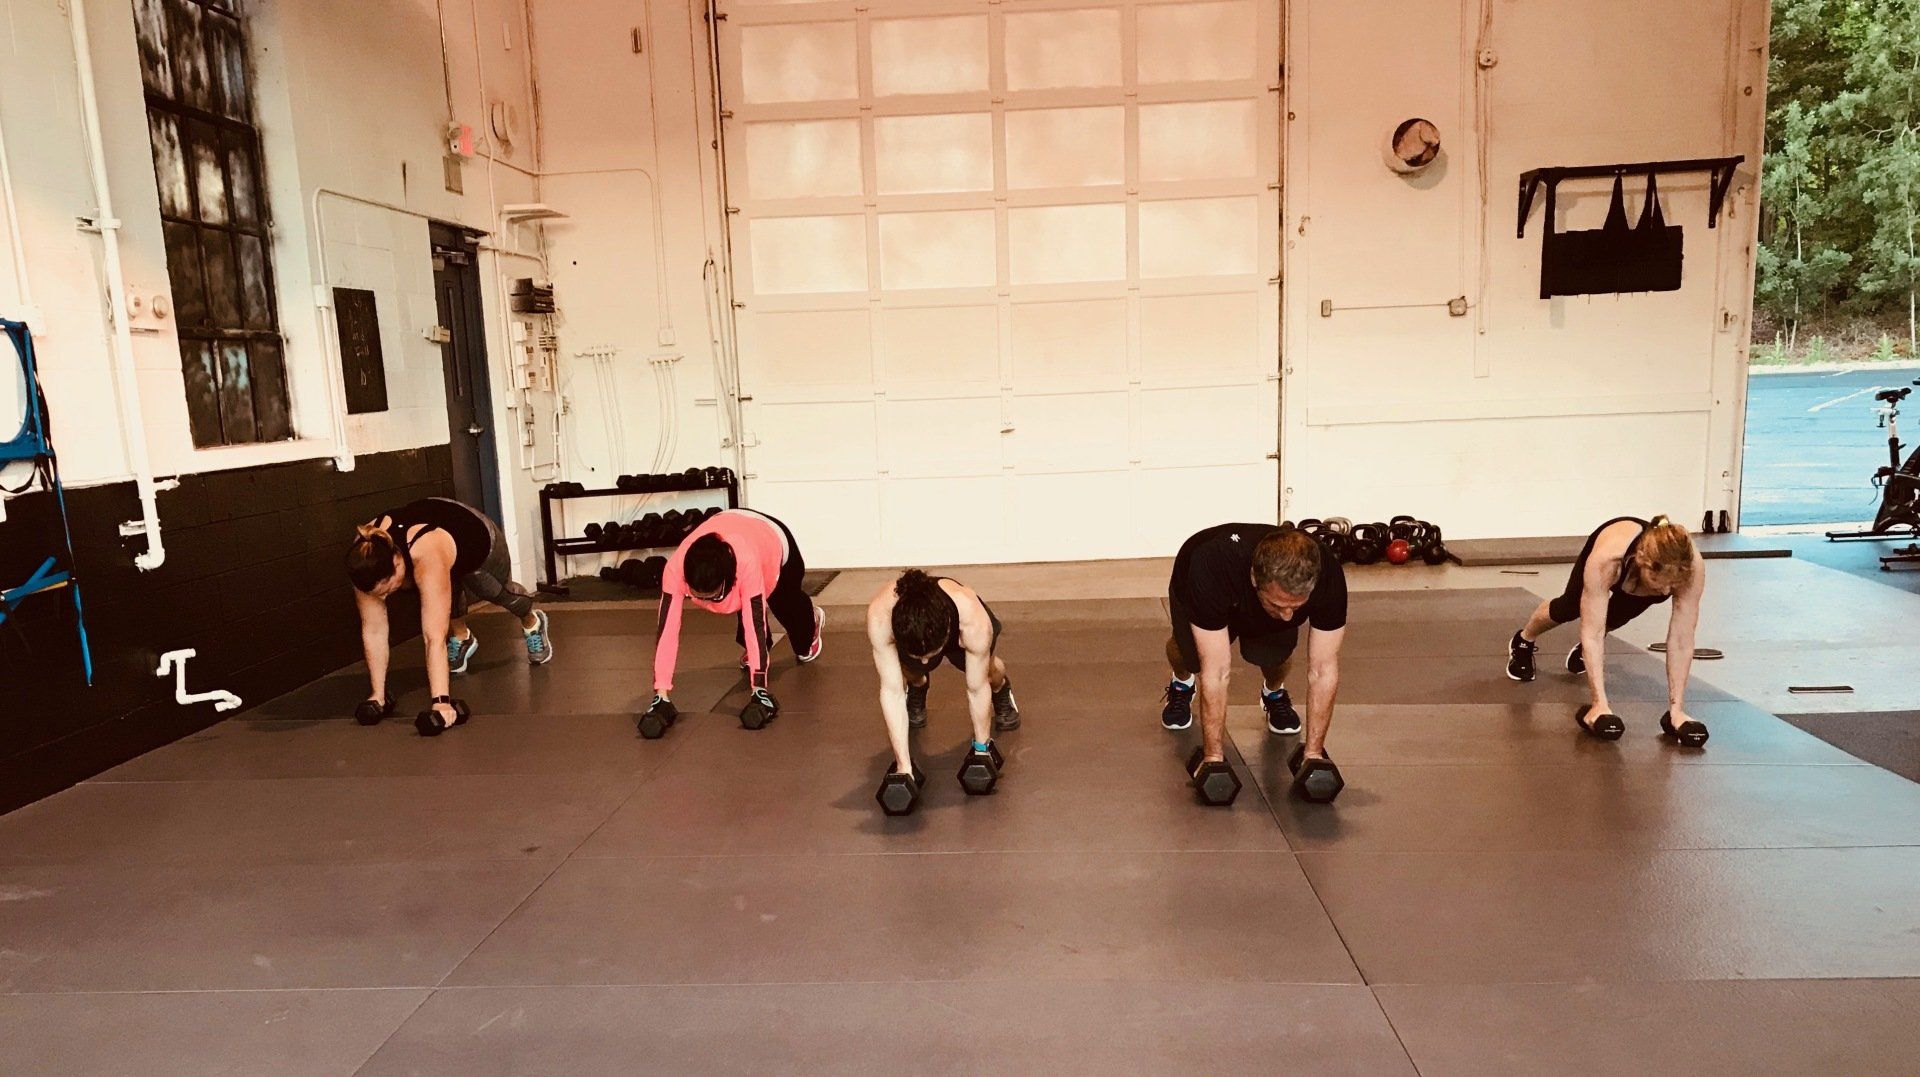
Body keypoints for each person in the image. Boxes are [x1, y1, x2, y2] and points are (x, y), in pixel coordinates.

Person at [346, 496, 552, 735]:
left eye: (386, 589)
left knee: (496, 592)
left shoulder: (427, 552)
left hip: (476, 537)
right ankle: (463, 637)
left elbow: (433, 636)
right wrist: (377, 697)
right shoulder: (365, 554)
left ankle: (532, 621)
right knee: (440, 594)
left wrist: (441, 703)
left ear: (396, 561)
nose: (383, 598)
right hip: (437, 542)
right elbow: (373, 630)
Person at [1505, 514, 1709, 744]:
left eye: (1673, 585)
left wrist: (1677, 710)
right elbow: (1592, 631)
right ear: (1644, 563)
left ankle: (1584, 654)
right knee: (1569, 607)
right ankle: (1524, 640)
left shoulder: (1691, 568)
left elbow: (1682, 639)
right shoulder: (1607, 559)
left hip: (1641, 574)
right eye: (1662, 583)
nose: (1666, 592)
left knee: (1618, 616)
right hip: (1616, 554)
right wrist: (1599, 704)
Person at [1161, 523, 1347, 772]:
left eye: (1297, 606)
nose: (1288, 617)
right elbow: (1216, 671)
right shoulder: (1211, 565)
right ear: (1253, 578)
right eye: (1278, 605)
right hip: (1201, 587)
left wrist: (1313, 754)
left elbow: (1323, 669)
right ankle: (1181, 684)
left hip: (1251, 595)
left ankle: (1273, 693)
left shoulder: (1327, 574)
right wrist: (1213, 758)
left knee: (1275, 656)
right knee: (1191, 657)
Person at [644, 508, 823, 727]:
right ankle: (759, 650)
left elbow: (754, 619)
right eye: (699, 597)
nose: (707, 603)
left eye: (713, 596)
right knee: (751, 629)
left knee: (791, 619)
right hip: (730, 531)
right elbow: (667, 631)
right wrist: (660, 693)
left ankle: (811, 621)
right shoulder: (675, 569)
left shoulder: (746, 564)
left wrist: (759, 689)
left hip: (773, 541)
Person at [867, 570, 1019, 778]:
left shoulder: (973, 620)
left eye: (930, 655)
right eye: (918, 655)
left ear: (947, 633)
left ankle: (1002, 690)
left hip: (961, 627)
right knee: (910, 669)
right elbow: (892, 692)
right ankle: (918, 685)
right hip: (919, 635)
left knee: (989, 673)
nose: (926, 661)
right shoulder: (880, 617)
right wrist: (903, 767)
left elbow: (975, 689)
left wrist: (982, 750)